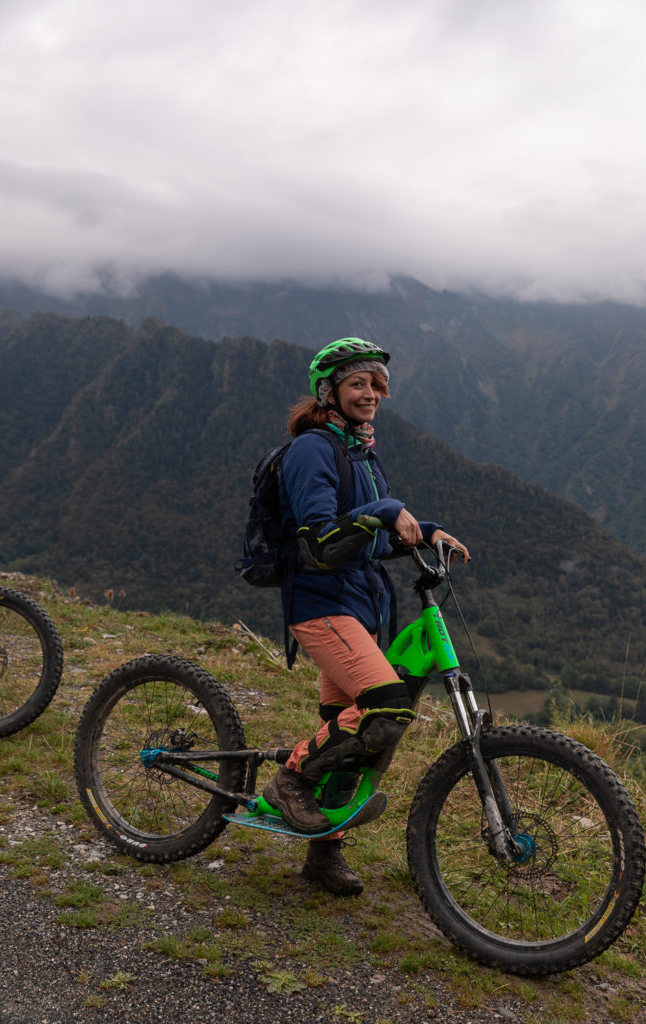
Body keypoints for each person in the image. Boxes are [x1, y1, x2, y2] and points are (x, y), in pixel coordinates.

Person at [262, 338, 469, 896]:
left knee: (349, 733)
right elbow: (321, 541)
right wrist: (383, 512)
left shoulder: (360, 449)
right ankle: (290, 777)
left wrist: (424, 532)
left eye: (377, 385)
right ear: (329, 391)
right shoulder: (312, 449)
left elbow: (372, 537)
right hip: (321, 607)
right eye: (358, 383)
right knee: (385, 711)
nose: (371, 394)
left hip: (359, 606)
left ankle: (323, 857)